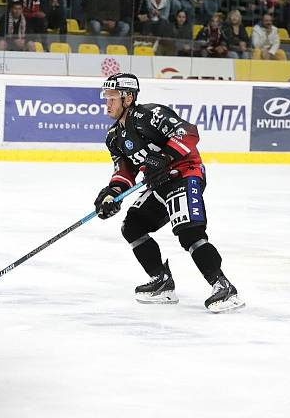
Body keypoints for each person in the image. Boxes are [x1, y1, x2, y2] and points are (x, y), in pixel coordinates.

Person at [93, 73, 243, 313]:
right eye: (106, 98)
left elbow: (189, 133)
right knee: (132, 226)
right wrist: (111, 194)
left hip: (185, 174)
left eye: (112, 98)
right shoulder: (114, 137)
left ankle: (223, 286)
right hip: (159, 185)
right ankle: (162, 281)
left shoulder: (151, 115)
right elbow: (124, 171)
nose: (107, 103)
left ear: (128, 98)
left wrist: (163, 158)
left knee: (189, 232)